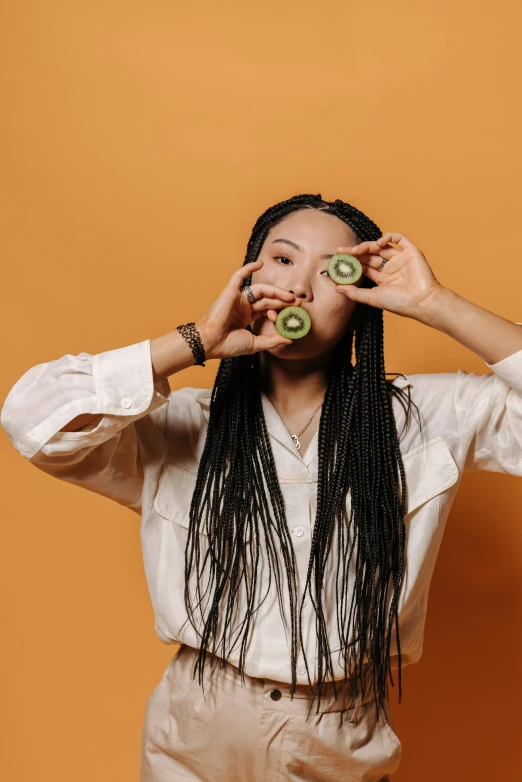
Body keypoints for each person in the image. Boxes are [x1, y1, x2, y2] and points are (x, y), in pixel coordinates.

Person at [2, 192, 522, 781]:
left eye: (334, 271)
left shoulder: (422, 419)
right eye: (282, 259)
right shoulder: (184, 423)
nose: (299, 287)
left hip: (337, 736)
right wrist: (195, 340)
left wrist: (435, 303)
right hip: (194, 723)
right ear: (247, 277)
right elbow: (32, 421)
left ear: (362, 299)